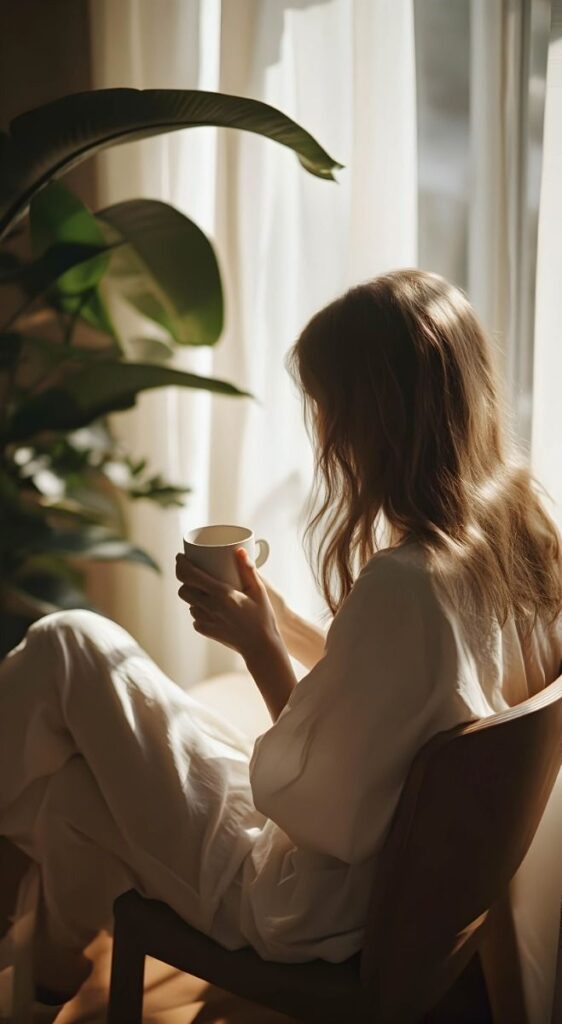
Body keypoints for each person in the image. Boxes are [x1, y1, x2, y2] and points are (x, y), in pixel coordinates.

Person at [0, 269, 561, 1012]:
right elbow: (404, 703)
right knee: (70, 795)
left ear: (376, 419)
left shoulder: (408, 583)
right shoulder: (521, 530)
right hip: (377, 892)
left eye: (330, 410)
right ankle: (41, 987)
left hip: (303, 902)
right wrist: (280, 618)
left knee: (68, 644)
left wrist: (260, 647)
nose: (327, 434)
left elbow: (313, 800)